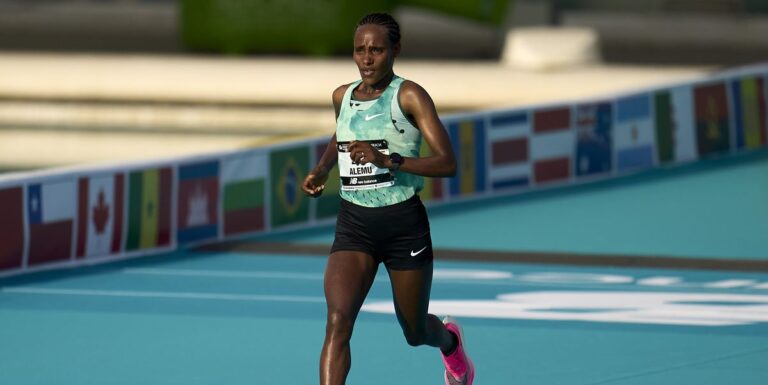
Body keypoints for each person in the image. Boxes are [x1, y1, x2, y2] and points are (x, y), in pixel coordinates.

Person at [301, 12, 475, 385]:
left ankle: (449, 341)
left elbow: (447, 162)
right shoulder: (341, 95)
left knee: (415, 333)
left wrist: (388, 160)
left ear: (395, 50)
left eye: (377, 50)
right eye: (360, 50)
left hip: (403, 228)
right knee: (337, 321)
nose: (367, 58)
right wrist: (322, 169)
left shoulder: (409, 95)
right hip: (354, 225)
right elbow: (341, 135)